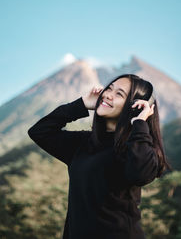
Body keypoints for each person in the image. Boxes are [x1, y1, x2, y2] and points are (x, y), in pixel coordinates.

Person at [28, 73, 169, 239]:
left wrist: (139, 123)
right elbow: (40, 132)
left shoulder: (136, 147)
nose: (108, 94)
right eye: (109, 88)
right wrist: (81, 104)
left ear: (134, 106)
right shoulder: (82, 143)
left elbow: (141, 175)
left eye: (119, 94)